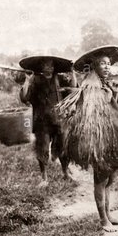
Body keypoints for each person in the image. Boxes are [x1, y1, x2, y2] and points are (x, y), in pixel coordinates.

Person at [57, 46, 118, 232]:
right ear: (94, 66)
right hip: (100, 138)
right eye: (102, 64)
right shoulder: (91, 85)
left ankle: (108, 213)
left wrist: (112, 93)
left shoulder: (103, 83)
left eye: (108, 64)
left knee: (108, 178)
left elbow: (110, 107)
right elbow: (92, 115)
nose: (106, 67)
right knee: (100, 178)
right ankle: (103, 220)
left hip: (111, 135)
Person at [18, 56, 77, 186]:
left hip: (59, 119)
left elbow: (73, 90)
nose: (48, 68)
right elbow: (24, 97)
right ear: (41, 67)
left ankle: (65, 173)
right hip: (42, 121)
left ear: (54, 67)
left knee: (63, 147)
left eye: (51, 65)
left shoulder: (59, 79)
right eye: (45, 65)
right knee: (42, 148)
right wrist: (27, 80)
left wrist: (72, 73)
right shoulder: (35, 80)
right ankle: (44, 178)